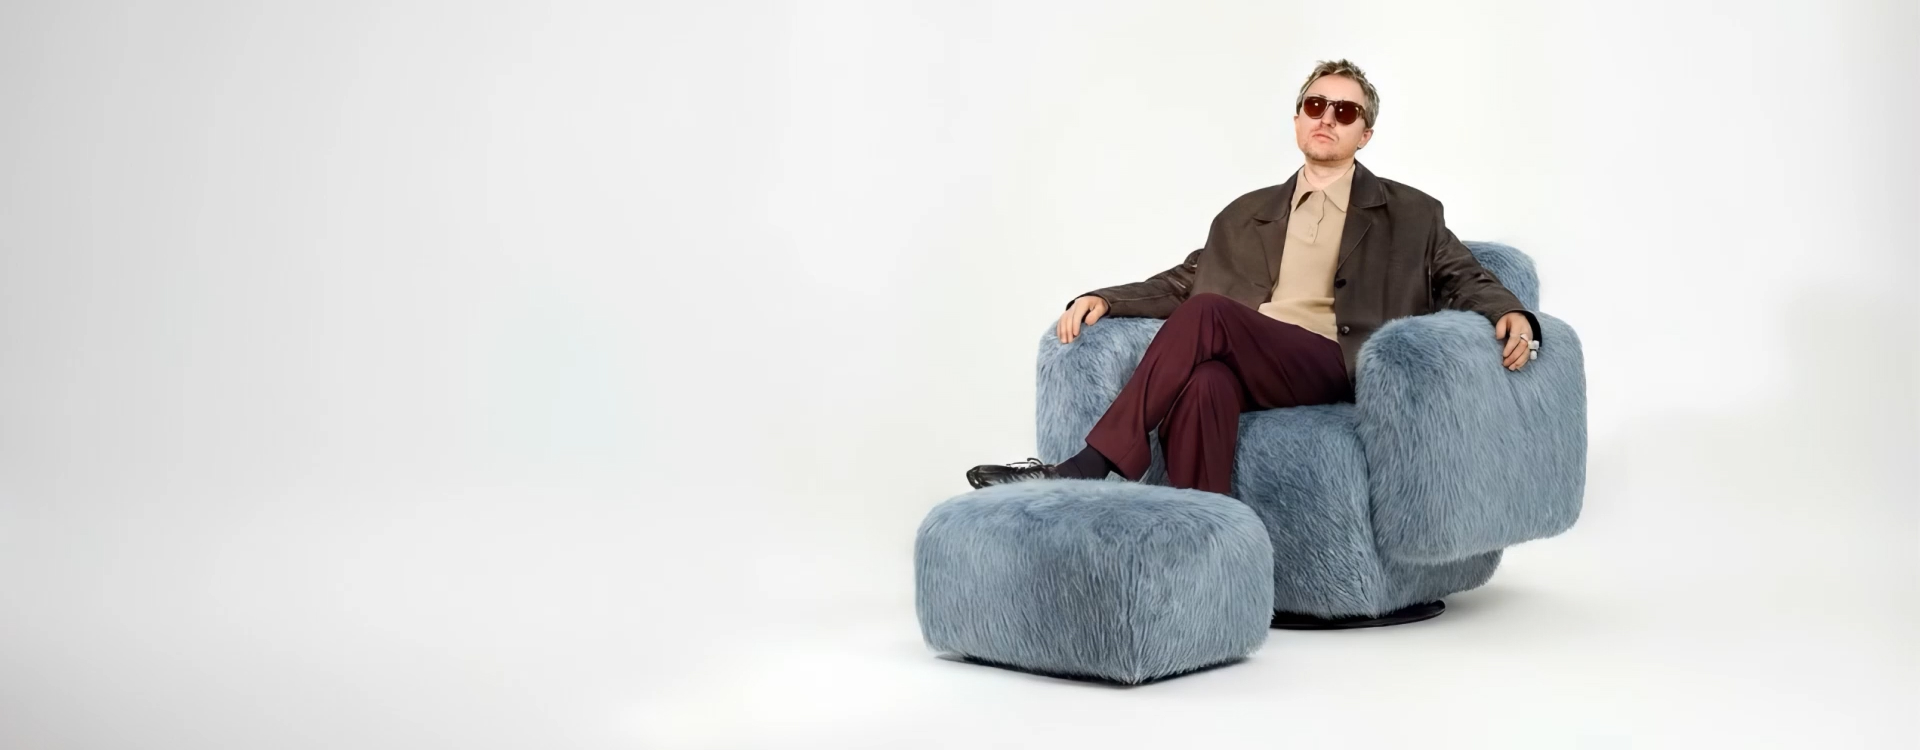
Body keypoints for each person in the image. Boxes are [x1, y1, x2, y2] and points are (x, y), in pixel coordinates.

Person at [967, 59, 1544, 495]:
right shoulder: (1246, 214)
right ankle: (1211, 553)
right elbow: (1186, 280)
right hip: (1256, 363)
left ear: (1364, 134)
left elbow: (1462, 275)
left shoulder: (1411, 213)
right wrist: (1106, 298)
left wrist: (1510, 311)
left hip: (1337, 361)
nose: (1327, 118)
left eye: (1345, 112)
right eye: (1315, 105)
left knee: (1210, 314)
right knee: (1205, 383)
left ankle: (1090, 463)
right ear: (1297, 120)